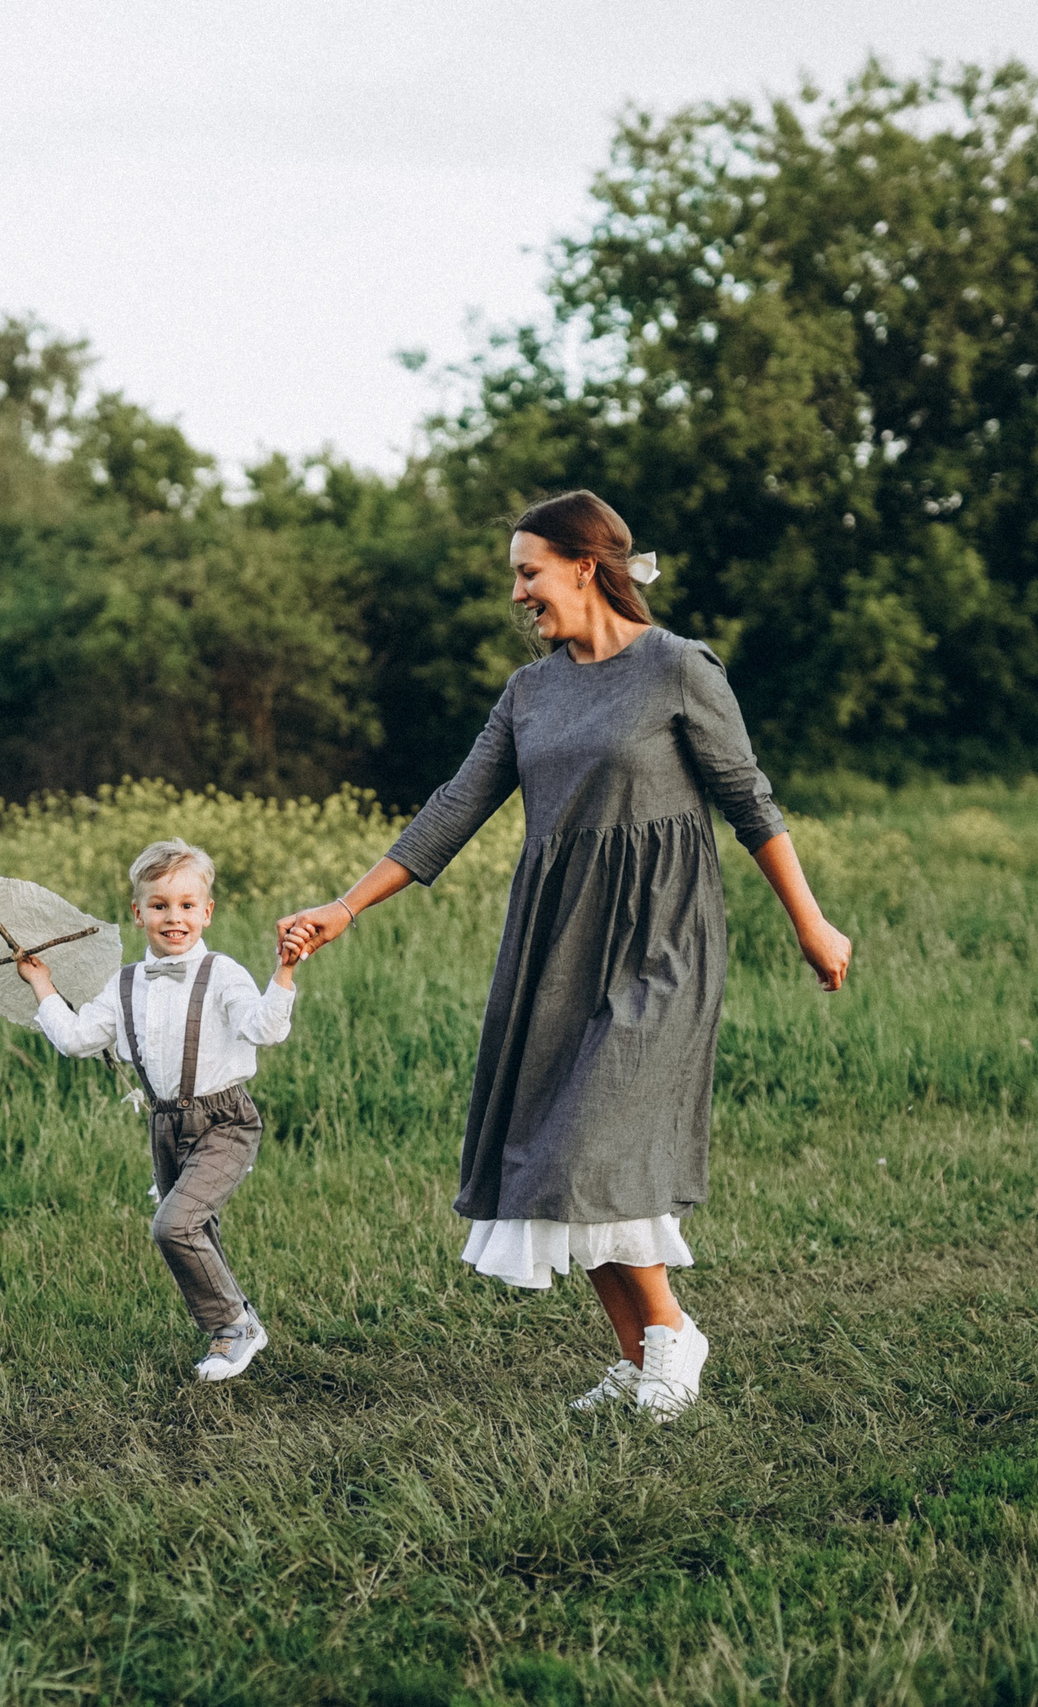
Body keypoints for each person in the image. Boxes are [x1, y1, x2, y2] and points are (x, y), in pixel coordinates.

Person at [277, 490, 851, 1417]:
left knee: (593, 1140)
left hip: (662, 936)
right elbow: (455, 806)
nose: (517, 594)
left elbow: (751, 802)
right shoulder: (530, 691)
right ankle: (637, 1355)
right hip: (557, 942)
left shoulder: (677, 669)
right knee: (550, 1156)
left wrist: (809, 921)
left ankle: (673, 1333)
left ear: (585, 566)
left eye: (528, 571)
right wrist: (347, 906)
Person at [19, 838, 300, 1383]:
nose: (175, 918)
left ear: (207, 912)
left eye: (188, 905)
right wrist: (42, 985)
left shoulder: (223, 973)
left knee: (174, 1226)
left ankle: (233, 1328)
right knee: (200, 1230)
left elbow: (265, 1029)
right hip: (165, 1124)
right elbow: (77, 1039)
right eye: (160, 906)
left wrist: (284, 972)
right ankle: (240, 1321)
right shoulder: (123, 984)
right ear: (138, 912)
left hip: (225, 1121)